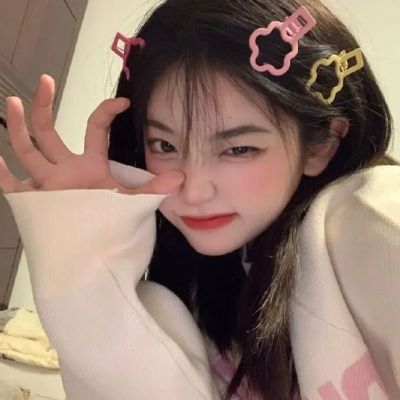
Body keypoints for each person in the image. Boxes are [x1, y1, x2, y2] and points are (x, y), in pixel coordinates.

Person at [0, 0, 399, 398]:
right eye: (165, 145)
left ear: (322, 145)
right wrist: (82, 253)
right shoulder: (185, 288)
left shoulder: (363, 216)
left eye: (238, 149)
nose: (192, 191)